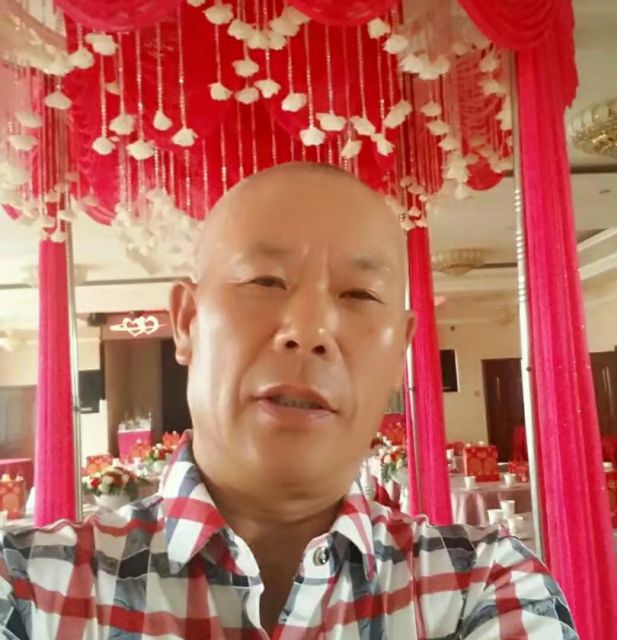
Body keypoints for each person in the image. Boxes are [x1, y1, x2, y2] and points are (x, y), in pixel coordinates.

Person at [0, 163, 576, 639]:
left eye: (359, 294)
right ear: (187, 322)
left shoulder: (483, 585)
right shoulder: (29, 588)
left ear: (399, 351)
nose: (310, 329)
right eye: (265, 282)